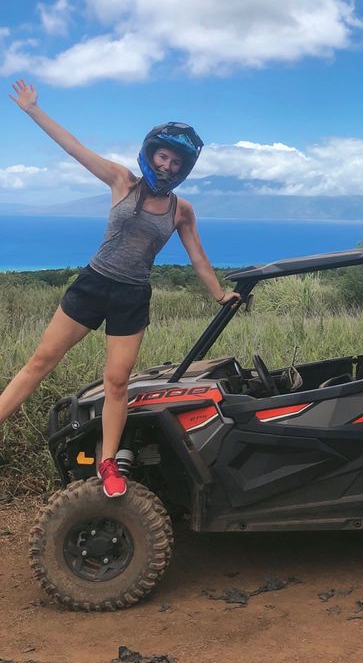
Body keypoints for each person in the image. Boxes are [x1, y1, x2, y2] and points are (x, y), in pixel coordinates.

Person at [2, 79, 238, 498]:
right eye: (162, 156)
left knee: (117, 382)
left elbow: (198, 257)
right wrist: (32, 110)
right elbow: (75, 148)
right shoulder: (122, 182)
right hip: (93, 284)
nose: (167, 166)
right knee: (40, 362)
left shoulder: (182, 211)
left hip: (132, 296)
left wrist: (219, 294)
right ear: (151, 153)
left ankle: (108, 465)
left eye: (175, 162)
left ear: (184, 169)